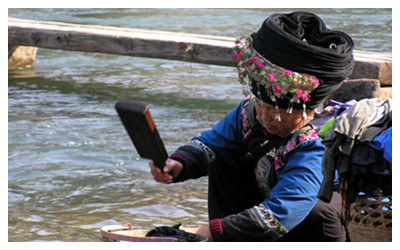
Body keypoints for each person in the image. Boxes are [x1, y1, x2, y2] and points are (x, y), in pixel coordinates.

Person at [149, 11, 354, 241]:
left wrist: (210, 232)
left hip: (313, 226)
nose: (265, 116)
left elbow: (283, 211)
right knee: (225, 160)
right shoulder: (250, 112)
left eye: (276, 111)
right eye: (260, 104)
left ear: (306, 111)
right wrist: (178, 164)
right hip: (269, 202)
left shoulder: (314, 146)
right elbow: (213, 144)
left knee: (317, 212)